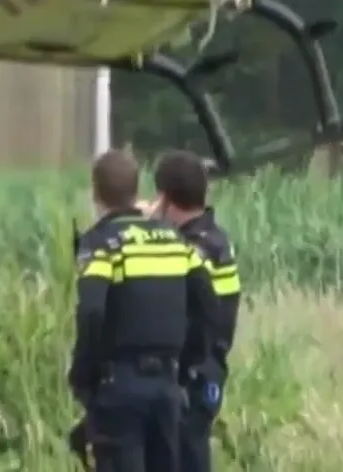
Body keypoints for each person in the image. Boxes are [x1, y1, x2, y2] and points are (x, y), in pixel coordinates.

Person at [70, 149, 217, 472]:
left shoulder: (101, 243)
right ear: (137, 191)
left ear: (96, 193)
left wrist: (83, 375)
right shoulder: (175, 241)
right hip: (167, 387)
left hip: (119, 387)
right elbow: (208, 303)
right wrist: (190, 363)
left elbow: (92, 311)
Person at [147, 152, 242, 472]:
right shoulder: (216, 240)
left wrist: (143, 224)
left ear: (164, 199)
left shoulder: (187, 251)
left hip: (190, 377)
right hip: (208, 371)